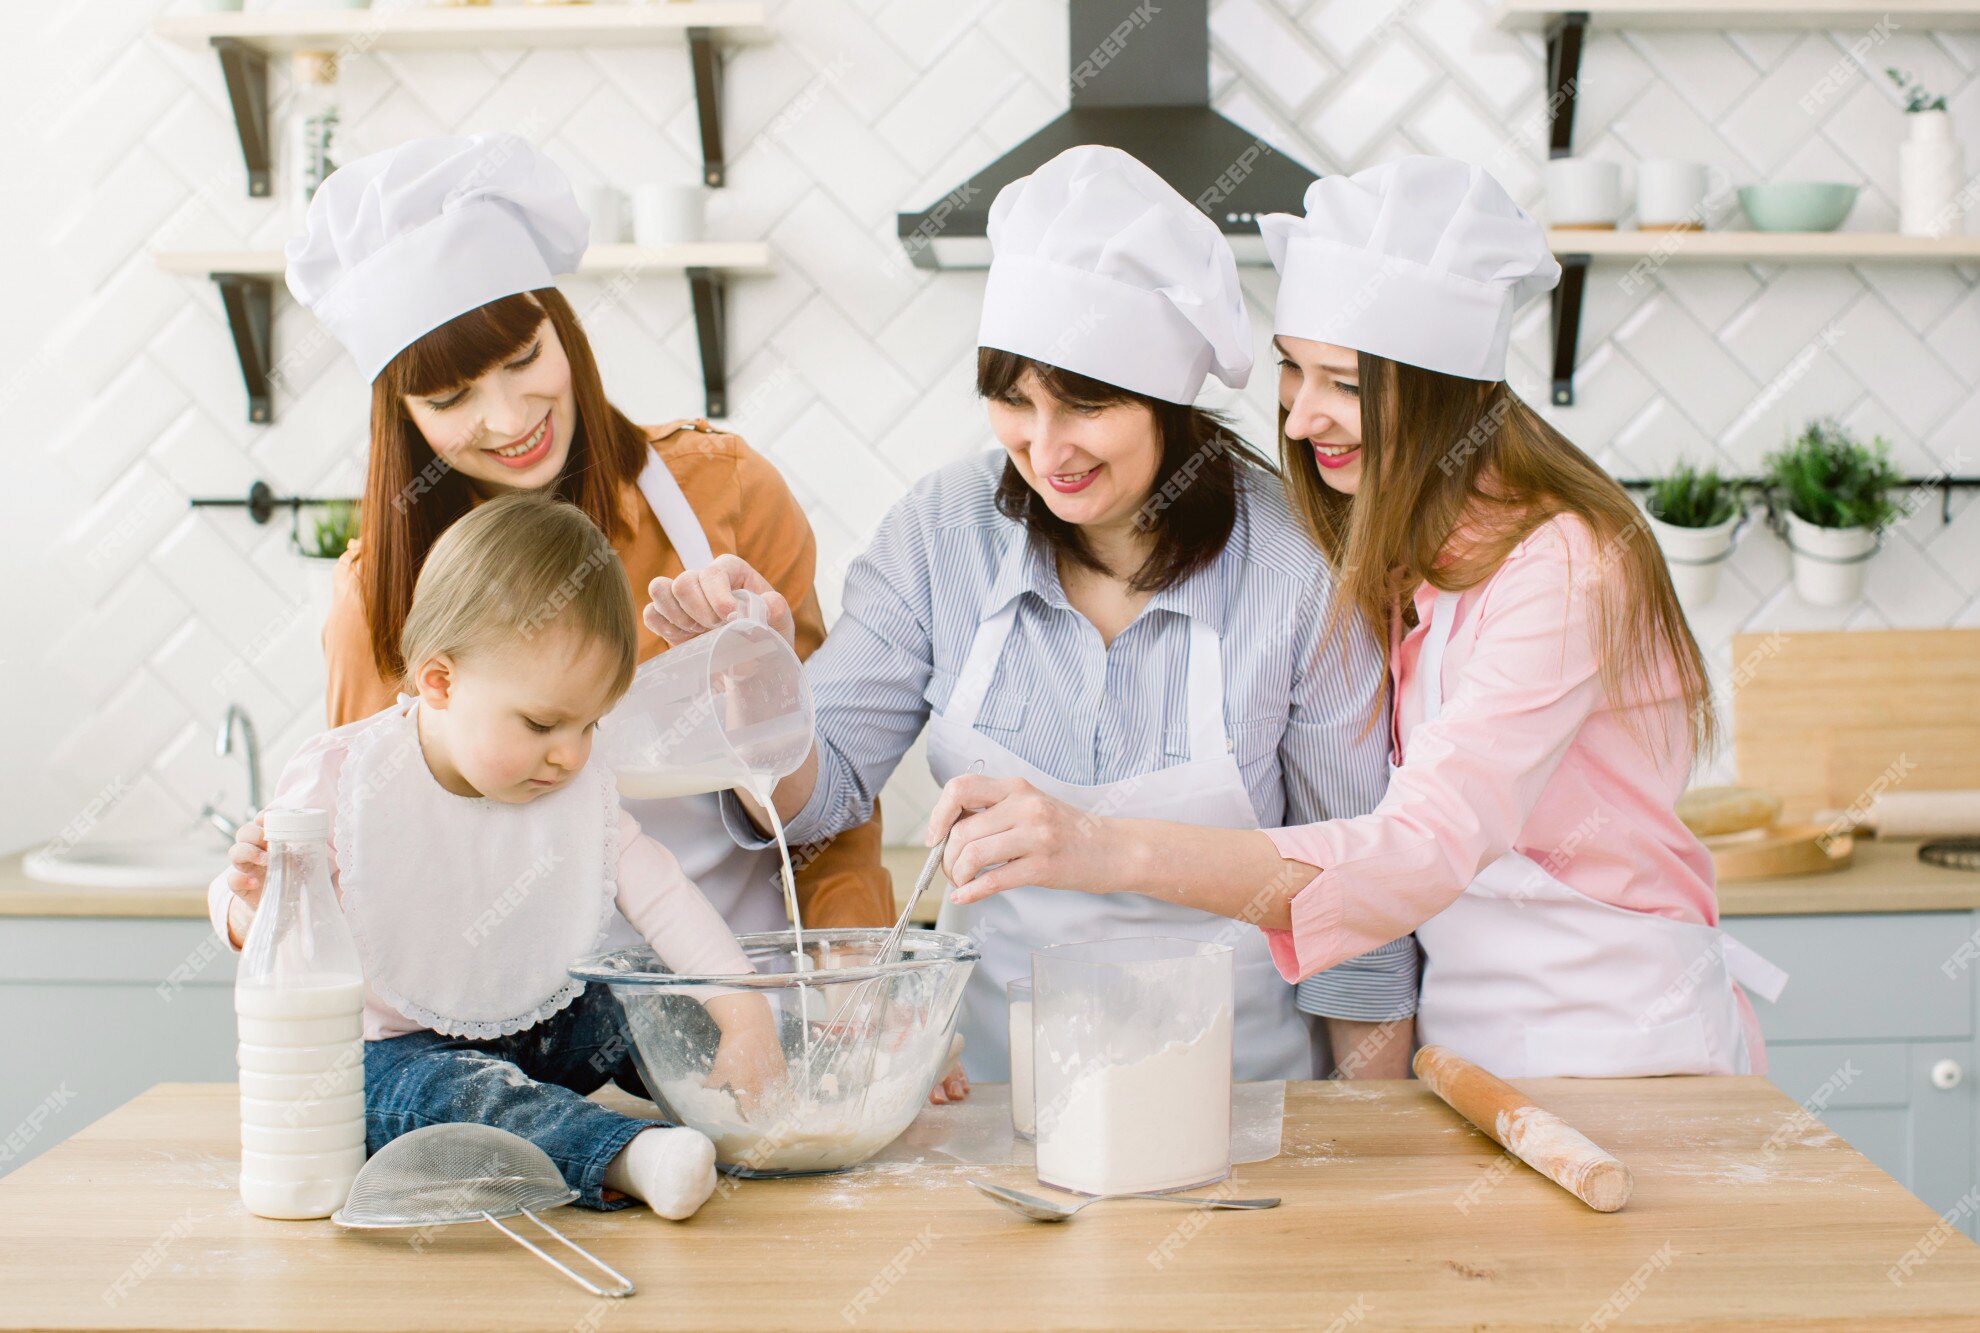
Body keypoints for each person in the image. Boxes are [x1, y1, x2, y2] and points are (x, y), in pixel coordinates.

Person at [920, 156, 1788, 1079]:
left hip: (1625, 1040)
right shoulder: (1412, 556)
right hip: (1471, 1044)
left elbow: (1418, 848)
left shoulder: (1568, 565)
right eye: (1295, 372)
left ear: (1439, 392)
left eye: (1343, 384)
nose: (1299, 421)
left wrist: (1103, 844)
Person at [645, 146, 1420, 1085]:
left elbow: (1358, 906)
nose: (1043, 449)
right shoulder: (943, 531)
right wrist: (758, 686)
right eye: (1012, 400)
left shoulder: (1298, 564)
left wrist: (1366, 1148)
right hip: (1001, 1111)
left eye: (1085, 406)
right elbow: (825, 793)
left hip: (1246, 1109)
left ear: (1169, 402)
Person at [284, 131, 891, 938]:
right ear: (402, 419)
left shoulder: (726, 494)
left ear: (563, 328)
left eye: (523, 356)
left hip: (739, 1009)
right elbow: (364, 853)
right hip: (505, 1031)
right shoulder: (377, 596)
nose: (508, 419)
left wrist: (850, 962)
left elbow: (831, 807)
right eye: (451, 397)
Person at [209, 495, 787, 1218]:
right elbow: (248, 920)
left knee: (649, 1002)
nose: (572, 754)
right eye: (544, 722)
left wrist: (742, 1012)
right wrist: (253, 902)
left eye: (591, 723)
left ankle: (785, 1074)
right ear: (440, 682)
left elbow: (661, 894)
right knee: (415, 1098)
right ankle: (625, 1156)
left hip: (543, 1024)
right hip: (402, 1051)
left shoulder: (572, 774)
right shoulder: (341, 779)